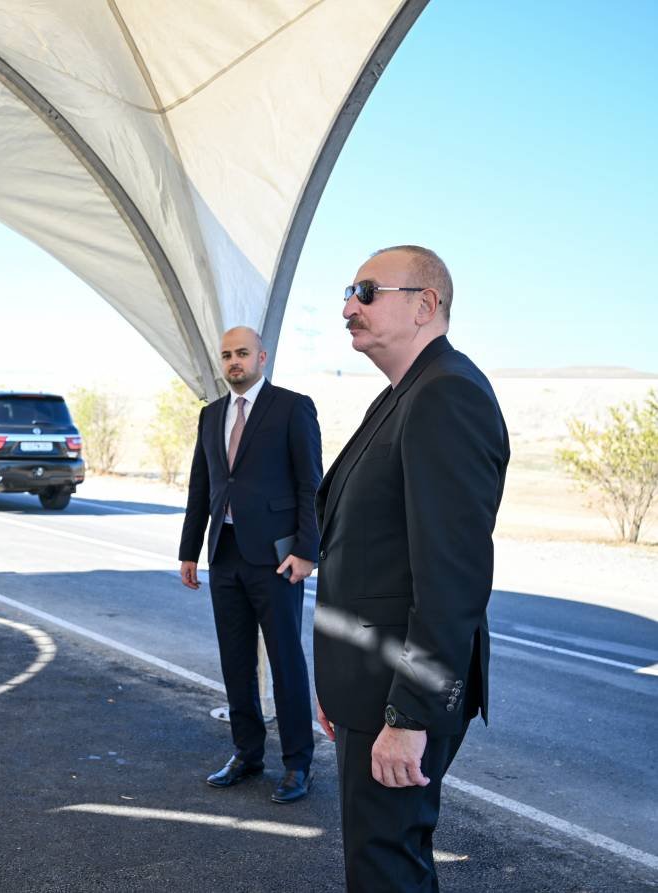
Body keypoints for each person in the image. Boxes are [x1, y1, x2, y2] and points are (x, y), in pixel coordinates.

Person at [314, 246, 509, 891]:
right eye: (349, 293)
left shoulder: (446, 396)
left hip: (399, 693)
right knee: (379, 863)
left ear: (425, 305)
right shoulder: (403, 395)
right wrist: (338, 681)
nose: (349, 308)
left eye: (366, 292)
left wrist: (410, 716)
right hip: (369, 684)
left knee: (387, 868)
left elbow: (451, 577)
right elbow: (367, 556)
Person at [179, 326, 322, 804]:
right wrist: (189, 550)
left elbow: (311, 484)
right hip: (225, 553)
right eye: (226, 355)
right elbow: (202, 486)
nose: (233, 362)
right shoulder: (211, 414)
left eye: (242, 353)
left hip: (277, 558)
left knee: (285, 661)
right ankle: (247, 753)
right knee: (235, 660)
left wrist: (307, 550)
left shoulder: (292, 407)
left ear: (262, 357)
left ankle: (298, 764)